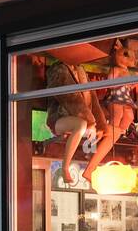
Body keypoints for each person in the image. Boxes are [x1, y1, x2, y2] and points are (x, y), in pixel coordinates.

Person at [46, 59, 116, 188]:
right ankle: (65, 166)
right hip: (60, 118)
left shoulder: (80, 70)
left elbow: (93, 99)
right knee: (81, 124)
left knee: (112, 131)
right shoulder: (59, 69)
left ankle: (90, 168)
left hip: (85, 121)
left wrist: (100, 125)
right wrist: (91, 123)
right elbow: (70, 98)